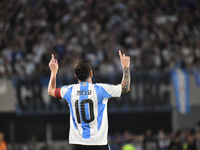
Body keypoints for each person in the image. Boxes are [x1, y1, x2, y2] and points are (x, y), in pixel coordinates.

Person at [48, 50, 131, 150]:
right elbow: (125, 87)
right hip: (98, 144)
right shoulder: (101, 90)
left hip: (78, 144)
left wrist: (53, 72)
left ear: (75, 76)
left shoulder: (69, 91)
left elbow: (51, 91)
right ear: (91, 73)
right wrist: (125, 67)